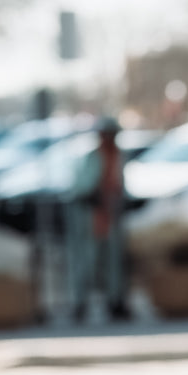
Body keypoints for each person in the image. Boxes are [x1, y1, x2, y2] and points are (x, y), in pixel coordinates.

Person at [65, 116, 131, 322]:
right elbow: (82, 188)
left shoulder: (118, 156)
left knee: (114, 261)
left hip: (110, 214)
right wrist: (96, 198)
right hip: (90, 215)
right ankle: (79, 303)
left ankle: (115, 301)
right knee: (85, 260)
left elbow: (120, 186)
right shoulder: (92, 158)